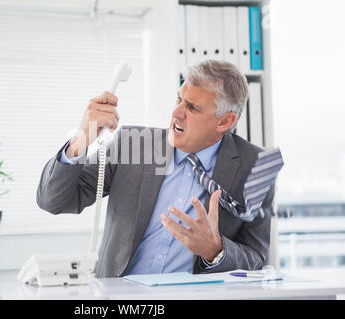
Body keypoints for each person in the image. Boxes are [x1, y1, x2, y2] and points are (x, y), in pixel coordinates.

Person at [36, 60, 275, 278]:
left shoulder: (255, 167)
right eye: (179, 99)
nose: (176, 113)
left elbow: (255, 257)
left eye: (192, 108)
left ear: (225, 121)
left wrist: (215, 250)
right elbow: (53, 201)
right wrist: (81, 139)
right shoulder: (132, 144)